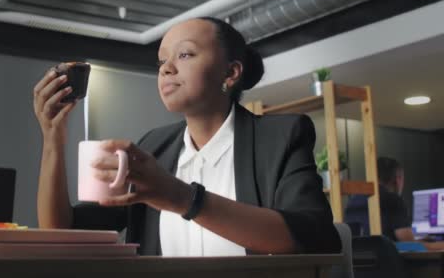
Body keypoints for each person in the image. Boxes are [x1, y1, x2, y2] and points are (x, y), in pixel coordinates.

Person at [33, 17, 341, 256]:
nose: (166, 69)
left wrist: (181, 197)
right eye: (161, 61)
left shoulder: (280, 137)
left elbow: (315, 239)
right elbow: (62, 229)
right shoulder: (155, 146)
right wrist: (52, 137)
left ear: (231, 73)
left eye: (185, 54)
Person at [345, 157, 444, 250]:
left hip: (359, 265)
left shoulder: (352, 201)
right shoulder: (393, 200)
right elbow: (410, 245)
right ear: (398, 179)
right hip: (387, 264)